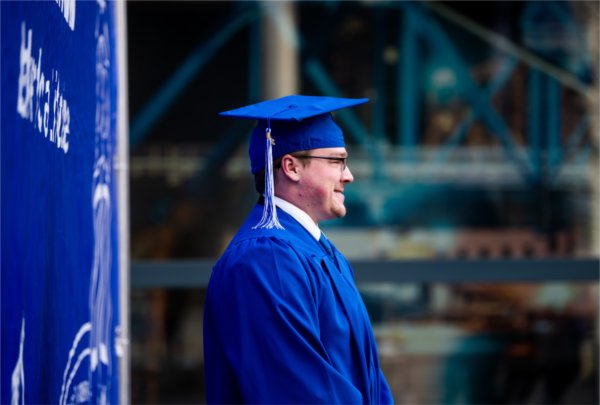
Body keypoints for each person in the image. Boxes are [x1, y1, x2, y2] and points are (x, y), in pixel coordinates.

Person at [203, 95, 393, 404]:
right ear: (291, 167)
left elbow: (371, 377)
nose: (348, 175)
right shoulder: (265, 259)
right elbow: (298, 392)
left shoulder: (317, 249)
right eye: (337, 161)